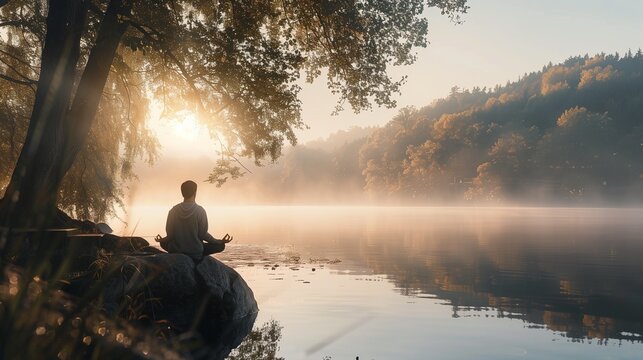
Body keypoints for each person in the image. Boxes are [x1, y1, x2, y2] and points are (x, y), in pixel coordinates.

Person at [155, 180, 232, 262]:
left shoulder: (173, 210)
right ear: (195, 192)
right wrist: (219, 241)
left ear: (182, 193)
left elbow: (170, 235)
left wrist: (161, 240)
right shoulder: (200, 210)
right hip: (195, 252)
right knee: (221, 246)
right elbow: (203, 234)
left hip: (176, 250)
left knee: (163, 243)